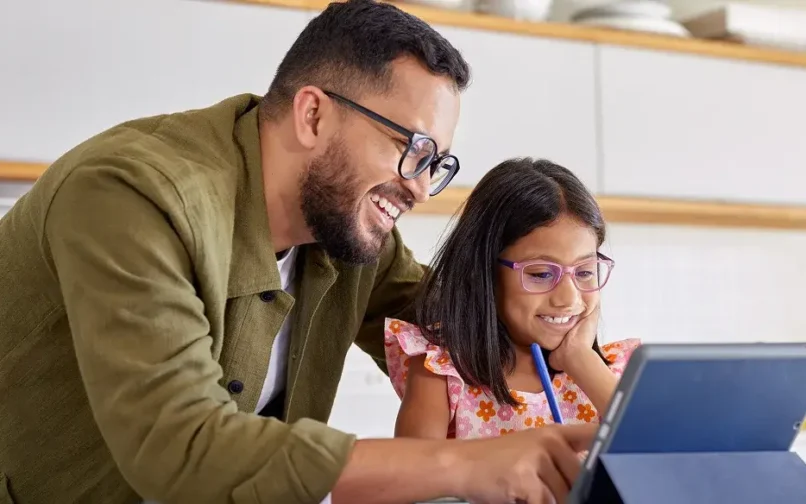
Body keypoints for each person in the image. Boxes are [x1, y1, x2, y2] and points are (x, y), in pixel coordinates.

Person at [0, 2, 596, 504]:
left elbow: (463, 319)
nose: (419, 186)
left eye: (435, 164)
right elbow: (178, 444)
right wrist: (467, 465)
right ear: (313, 114)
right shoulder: (134, 195)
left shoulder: (350, 231)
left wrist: (566, 316)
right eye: (411, 149)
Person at [385, 158, 641, 439]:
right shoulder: (442, 372)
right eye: (542, 274)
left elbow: (659, 460)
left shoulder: (614, 376)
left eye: (584, 272)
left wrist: (580, 359)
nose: (569, 298)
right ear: (483, 272)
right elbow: (413, 477)